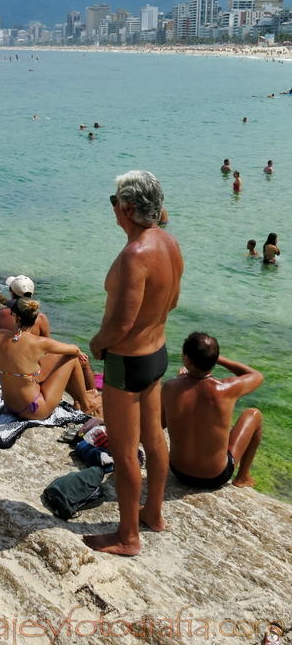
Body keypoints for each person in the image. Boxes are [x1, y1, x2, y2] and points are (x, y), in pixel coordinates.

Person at [85, 170, 183, 556]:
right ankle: (153, 514)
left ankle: (127, 537)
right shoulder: (170, 243)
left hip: (127, 362)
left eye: (114, 201)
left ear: (127, 208)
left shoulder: (134, 254)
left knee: (125, 452)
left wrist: (96, 343)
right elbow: (171, 301)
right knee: (155, 438)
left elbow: (121, 323)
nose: (113, 207)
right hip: (157, 353)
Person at [0, 296, 101, 420]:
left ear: (15, 318)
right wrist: (78, 353)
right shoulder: (40, 343)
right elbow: (75, 349)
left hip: (10, 407)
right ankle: (85, 403)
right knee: (71, 358)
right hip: (35, 409)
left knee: (54, 358)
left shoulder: (0, 336)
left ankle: (82, 399)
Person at [161, 333, 263, 489]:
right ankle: (242, 477)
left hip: (178, 471)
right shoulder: (227, 389)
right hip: (215, 477)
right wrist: (219, 359)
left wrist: (182, 381)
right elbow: (257, 376)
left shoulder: (169, 387)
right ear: (213, 360)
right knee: (253, 414)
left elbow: (161, 423)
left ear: (187, 359)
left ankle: (242, 477)